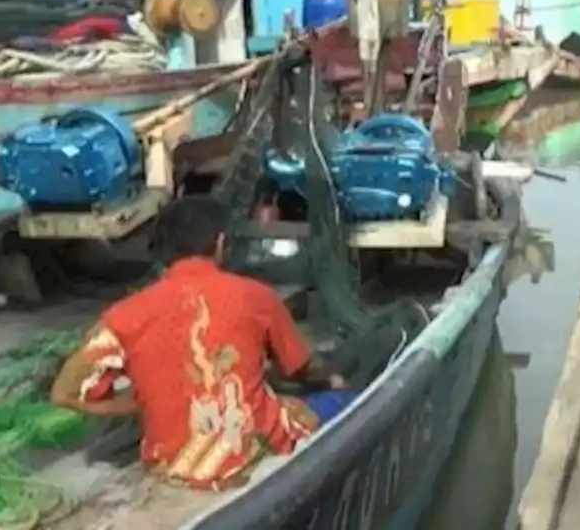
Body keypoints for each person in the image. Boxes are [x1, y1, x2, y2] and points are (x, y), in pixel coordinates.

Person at [50, 195, 356, 490]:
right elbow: (302, 369)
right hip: (252, 451)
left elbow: (64, 393)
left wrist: (136, 403)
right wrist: (333, 379)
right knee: (340, 401)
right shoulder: (255, 295)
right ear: (220, 242)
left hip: (171, 464)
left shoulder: (124, 316)